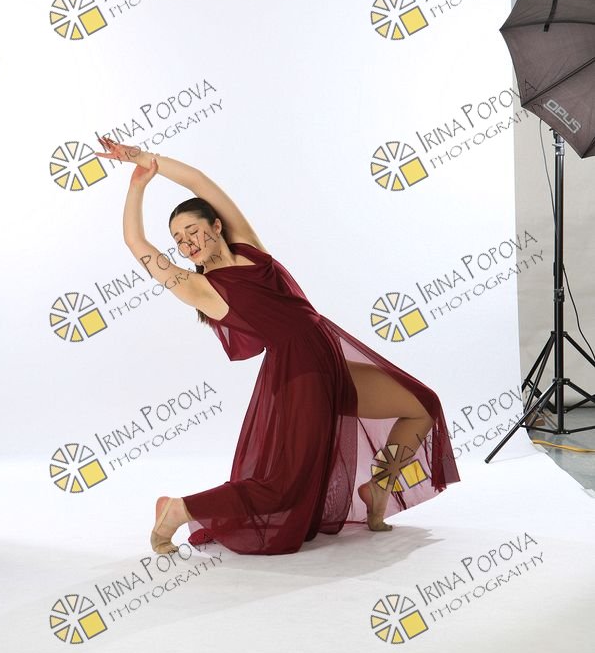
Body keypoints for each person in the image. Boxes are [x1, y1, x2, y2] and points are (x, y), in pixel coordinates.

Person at [94, 137, 461, 556]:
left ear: (216, 226)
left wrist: (145, 160)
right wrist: (137, 188)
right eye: (178, 240)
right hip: (299, 374)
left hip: (327, 354)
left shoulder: (249, 247)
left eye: (192, 230)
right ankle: (179, 509)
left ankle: (378, 487)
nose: (186, 242)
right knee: (283, 488)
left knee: (422, 405)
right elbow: (136, 243)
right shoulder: (201, 288)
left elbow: (200, 182)